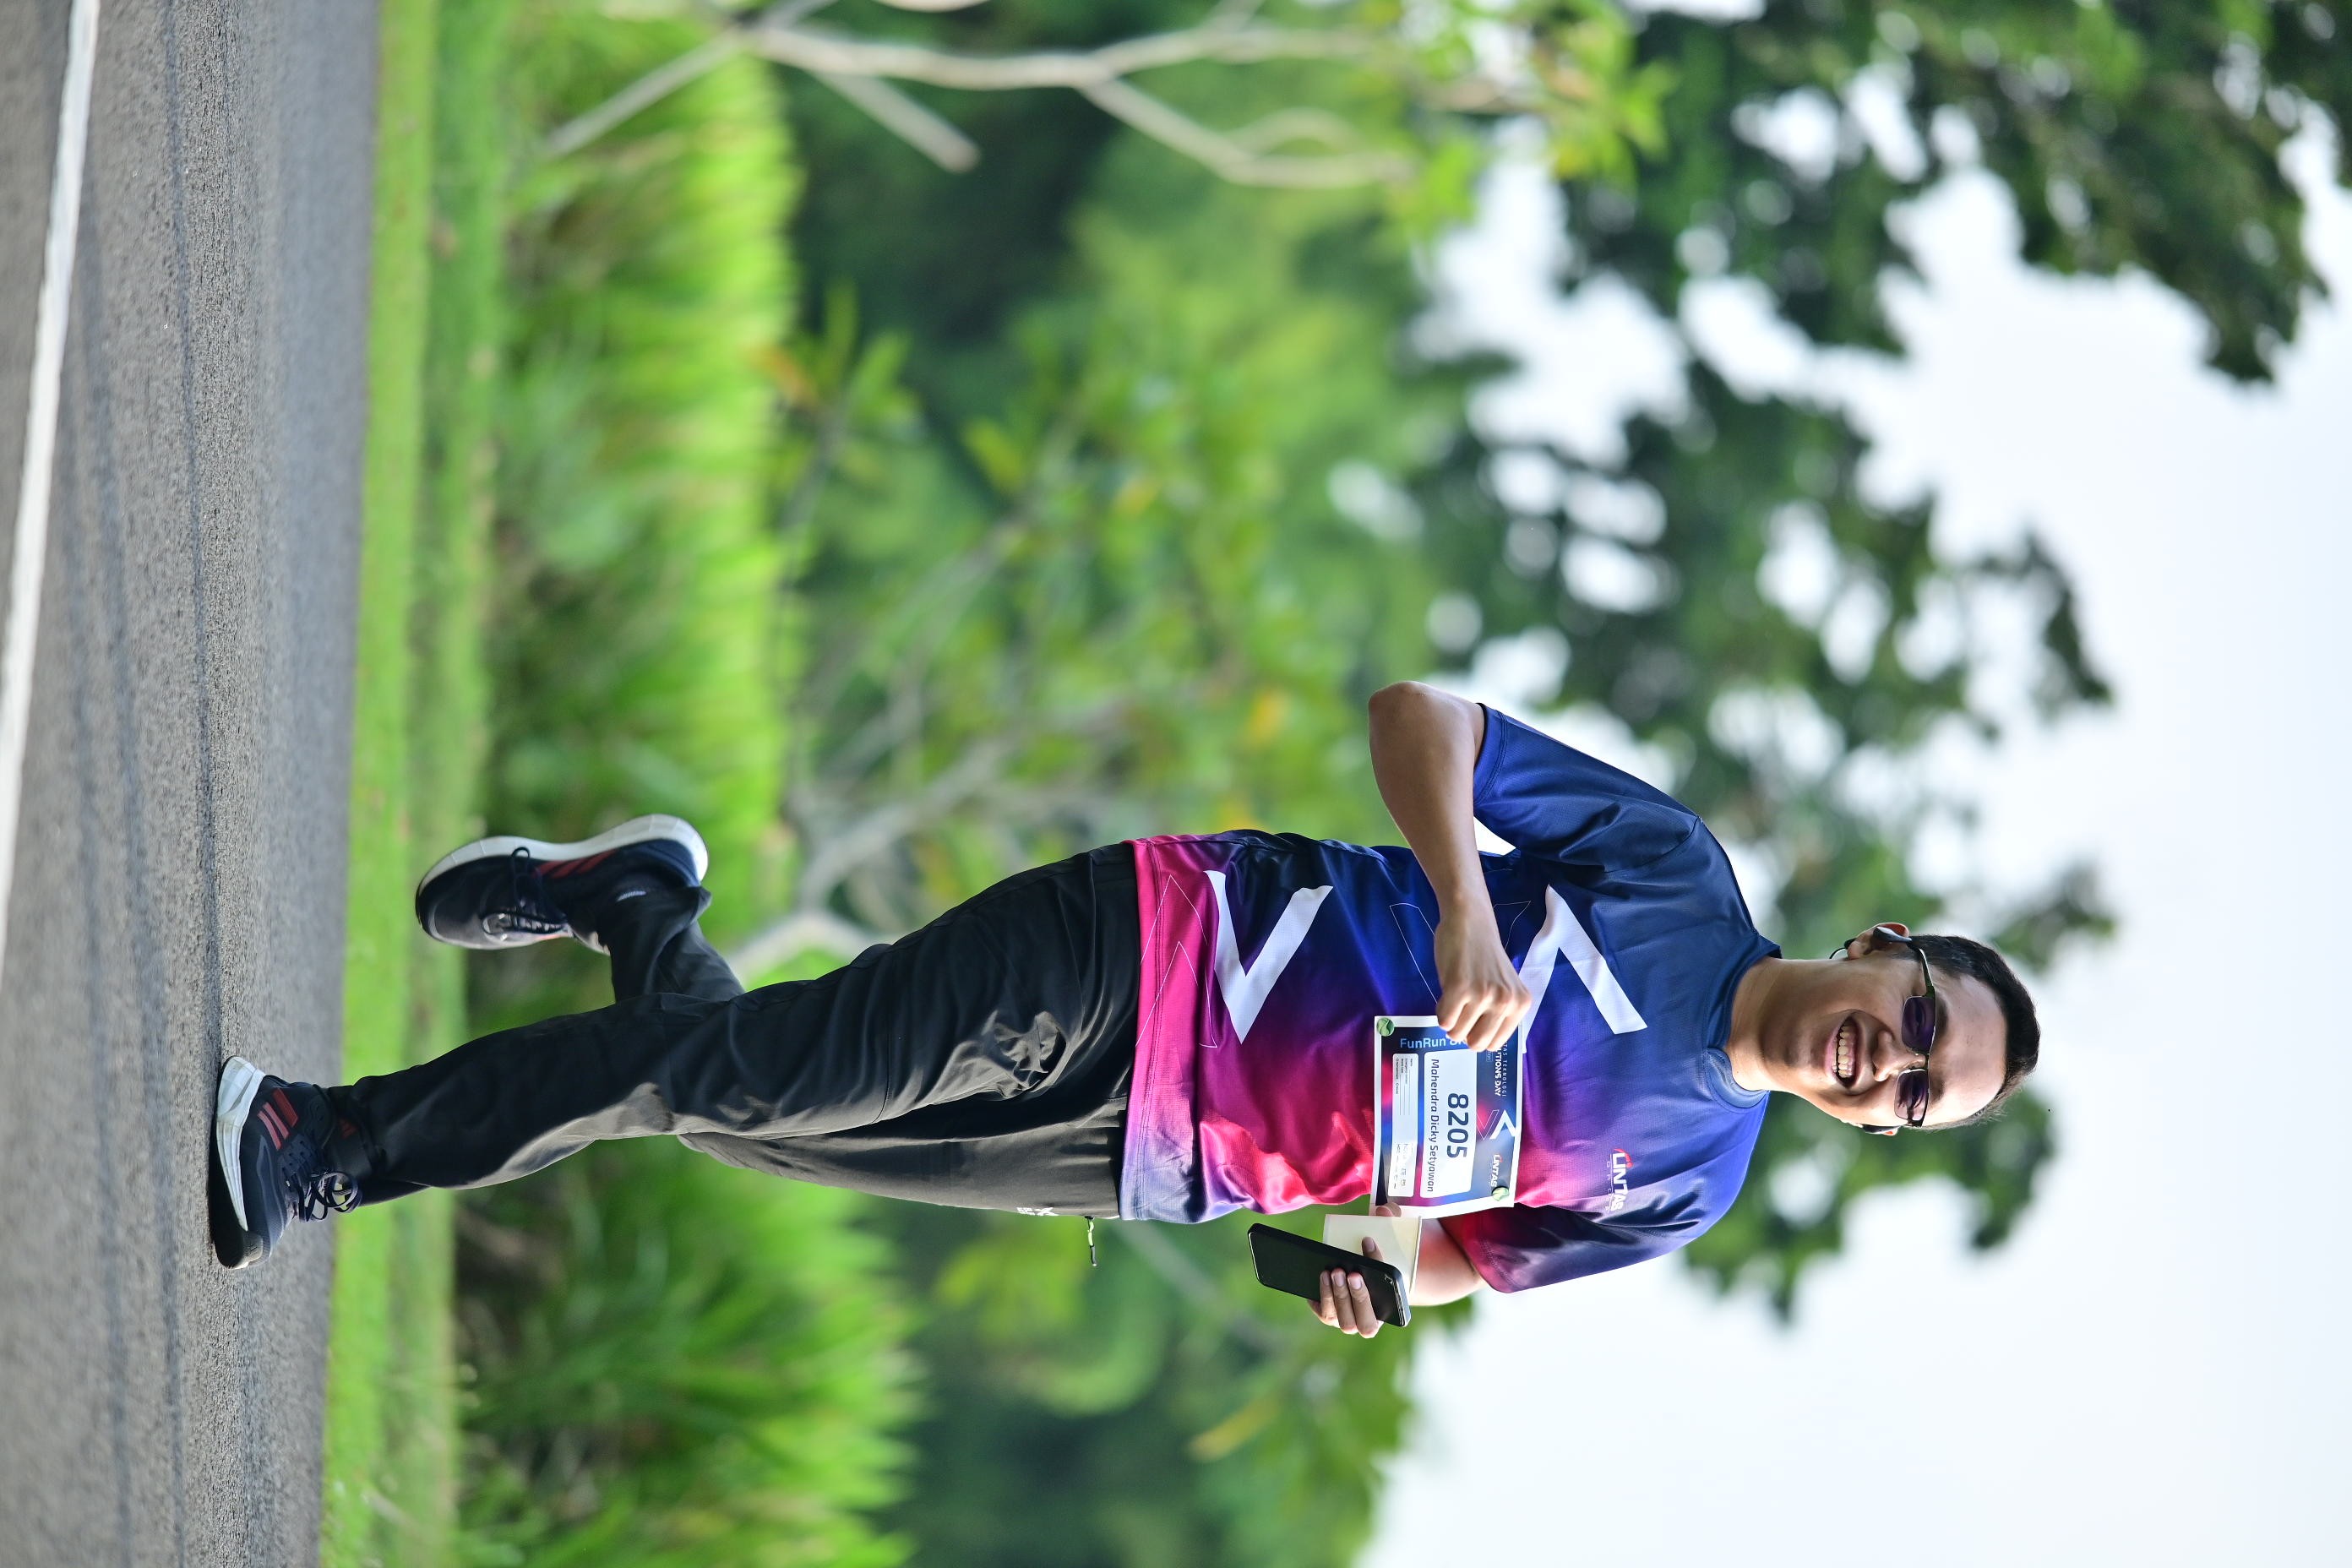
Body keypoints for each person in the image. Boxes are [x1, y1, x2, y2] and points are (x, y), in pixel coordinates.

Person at [208, 683, 2039, 1339]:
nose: (1885, 1065)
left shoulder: (1688, 1183)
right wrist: (1470, 911)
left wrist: (1370, 1277)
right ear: (1887, 944)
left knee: (747, 1113)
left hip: (1150, 1161)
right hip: (1156, 952)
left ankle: (638, 903)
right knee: (733, 1079)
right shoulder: (1675, 876)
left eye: (1912, 1098)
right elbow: (1423, 718)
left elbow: (1462, 1257)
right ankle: (324, 1136)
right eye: (1916, 1020)